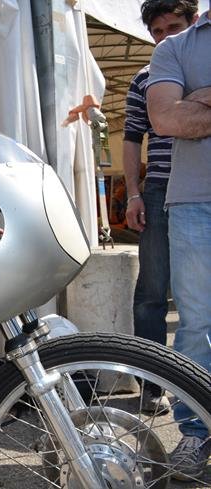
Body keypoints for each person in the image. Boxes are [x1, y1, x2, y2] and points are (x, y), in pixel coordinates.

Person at [146, 5, 211, 481]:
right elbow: (165, 120)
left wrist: (201, 100)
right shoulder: (175, 48)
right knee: (197, 324)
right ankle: (195, 432)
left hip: (191, 202)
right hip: (194, 202)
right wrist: (182, 108)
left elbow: (183, 113)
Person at [123, 0, 196, 415]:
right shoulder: (144, 78)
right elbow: (133, 138)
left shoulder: (203, 68)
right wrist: (134, 192)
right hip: (160, 190)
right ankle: (153, 383)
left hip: (202, 189)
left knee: (196, 295)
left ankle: (196, 383)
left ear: (194, 22)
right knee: (152, 291)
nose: (166, 36)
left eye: (174, 26)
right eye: (157, 31)